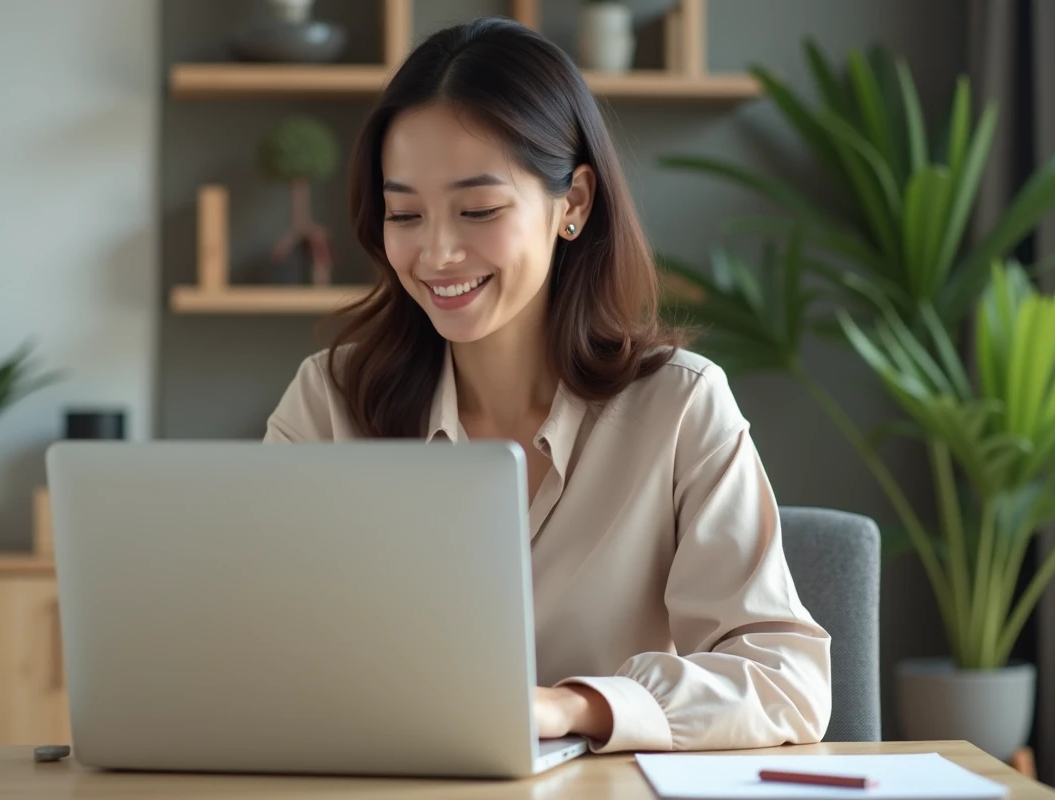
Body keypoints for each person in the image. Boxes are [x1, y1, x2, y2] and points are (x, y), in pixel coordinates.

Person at [264, 16, 832, 754]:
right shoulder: (327, 404)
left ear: (574, 204)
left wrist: (575, 708)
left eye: (478, 210)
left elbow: (787, 680)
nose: (436, 252)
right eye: (404, 213)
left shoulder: (680, 408)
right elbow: (256, 651)